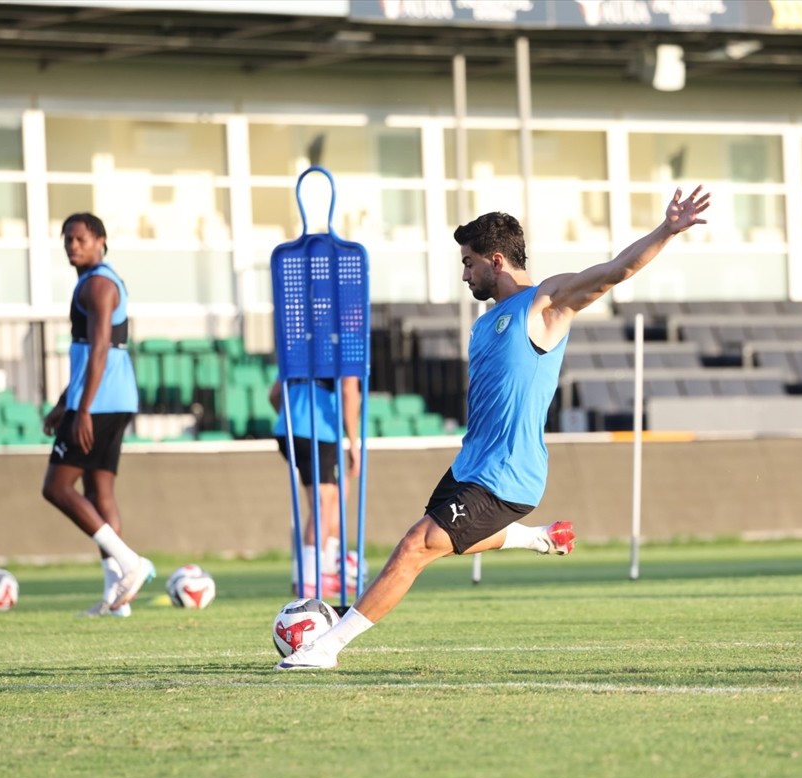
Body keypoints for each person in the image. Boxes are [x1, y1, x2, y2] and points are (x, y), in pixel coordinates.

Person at [277, 186, 710, 669]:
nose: (465, 274)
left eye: (469, 263)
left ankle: (327, 647)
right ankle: (534, 537)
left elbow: (617, 270)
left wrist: (667, 230)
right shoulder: (486, 323)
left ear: (496, 260)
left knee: (415, 546)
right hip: (469, 466)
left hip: (507, 474)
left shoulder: (545, 304)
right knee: (440, 543)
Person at [41, 213, 154, 618]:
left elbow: (101, 348)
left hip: (101, 402)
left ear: (101, 241)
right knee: (99, 492)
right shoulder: (94, 282)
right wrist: (64, 402)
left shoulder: (98, 284)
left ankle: (129, 563)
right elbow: (88, 352)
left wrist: (83, 409)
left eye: (81, 239)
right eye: (67, 239)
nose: (73, 246)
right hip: (111, 398)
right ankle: (115, 598)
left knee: (56, 488)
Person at [269, 375, 363, 596]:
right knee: (322, 504)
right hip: (319, 431)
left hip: (289, 428)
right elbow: (349, 391)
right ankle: (310, 579)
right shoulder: (343, 353)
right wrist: (353, 442)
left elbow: (274, 394)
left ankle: (327, 569)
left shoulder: (298, 352)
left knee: (338, 494)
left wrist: (291, 416)